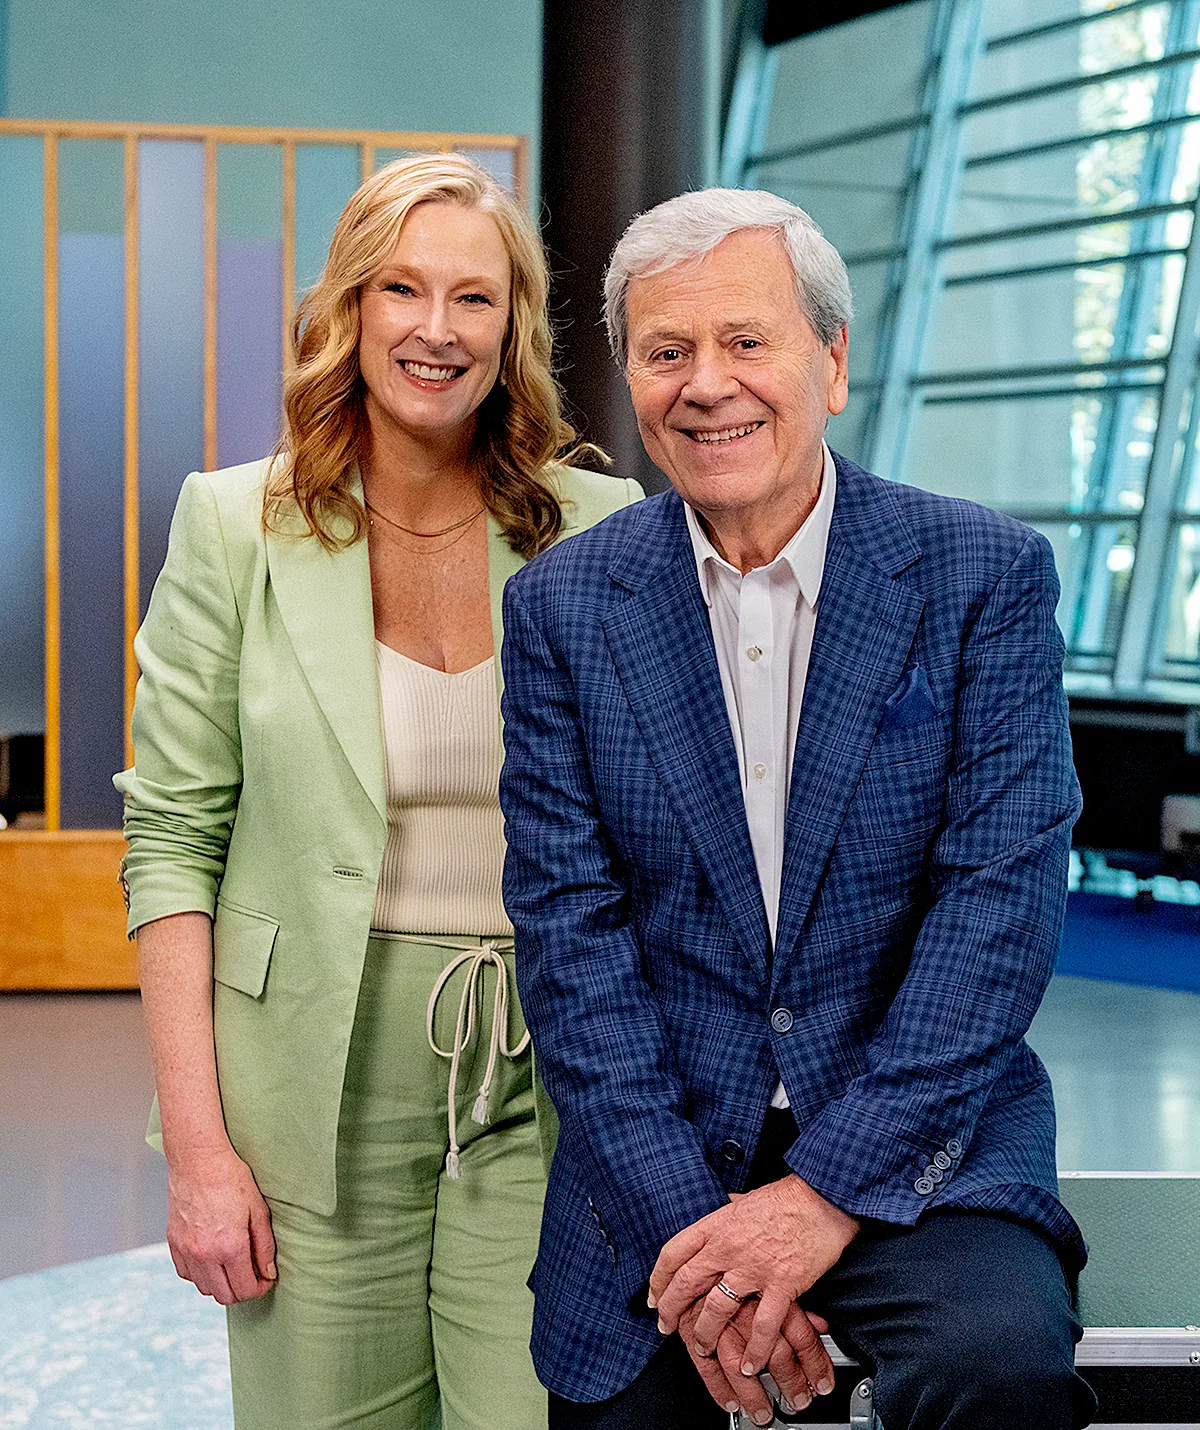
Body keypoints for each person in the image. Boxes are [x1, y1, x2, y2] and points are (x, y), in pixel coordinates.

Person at [498, 188, 1098, 1430]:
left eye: (747, 340)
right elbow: (573, 944)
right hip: (664, 1152)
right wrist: (705, 1244)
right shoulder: (566, 609)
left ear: (830, 359)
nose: (706, 383)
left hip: (923, 1146)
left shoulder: (979, 576)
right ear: (631, 381)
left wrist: (821, 1195)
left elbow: (997, 917)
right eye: (666, 353)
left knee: (998, 1368)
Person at [115, 153, 641, 1430]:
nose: (436, 328)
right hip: (308, 1076)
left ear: (512, 323)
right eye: (402, 289)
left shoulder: (604, 524)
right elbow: (172, 843)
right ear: (349, 311)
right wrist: (199, 1151)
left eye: (474, 297)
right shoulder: (235, 525)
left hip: (544, 1064)